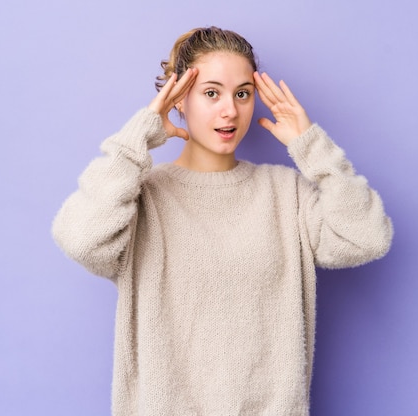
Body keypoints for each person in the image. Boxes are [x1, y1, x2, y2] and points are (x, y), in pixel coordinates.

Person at [52, 26, 393, 416]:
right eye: (211, 93)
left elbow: (366, 238)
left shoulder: (285, 193)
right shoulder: (141, 197)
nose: (229, 110)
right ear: (179, 99)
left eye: (242, 94)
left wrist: (315, 150)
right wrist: (136, 143)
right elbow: (81, 239)